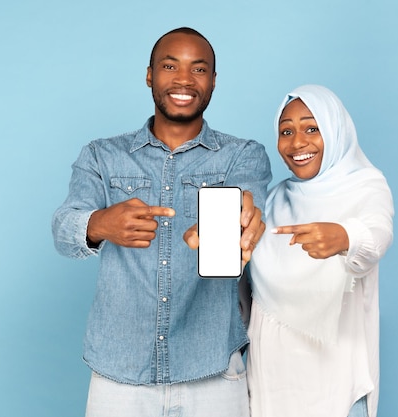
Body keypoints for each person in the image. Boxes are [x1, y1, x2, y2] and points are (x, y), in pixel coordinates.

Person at [52, 27, 272, 417]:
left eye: (199, 69)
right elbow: (64, 231)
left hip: (214, 371)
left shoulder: (243, 155)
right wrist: (101, 223)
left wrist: (237, 221)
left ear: (214, 81)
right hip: (118, 372)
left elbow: (247, 201)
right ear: (150, 75)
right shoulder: (101, 156)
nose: (184, 80)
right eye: (170, 66)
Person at [246, 85, 394, 417]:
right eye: (286, 131)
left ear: (335, 130)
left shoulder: (365, 186)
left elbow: (377, 236)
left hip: (337, 386)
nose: (297, 142)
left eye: (312, 128)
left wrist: (345, 237)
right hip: (272, 385)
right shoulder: (273, 199)